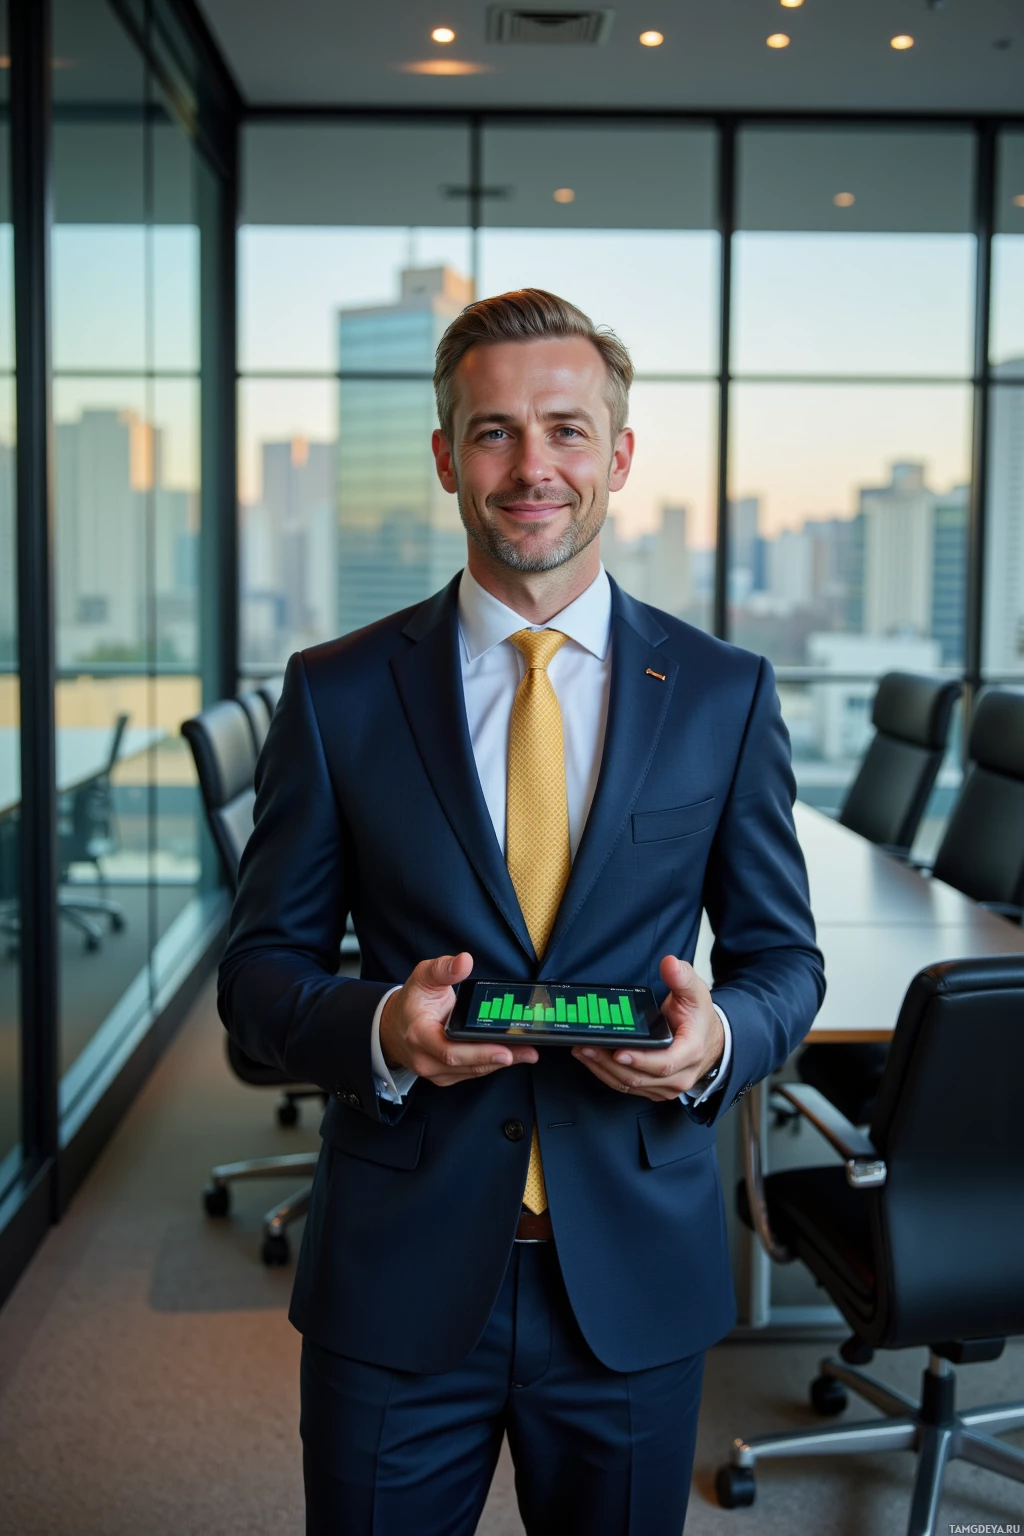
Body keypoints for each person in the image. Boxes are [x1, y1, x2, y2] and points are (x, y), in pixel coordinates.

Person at [218, 288, 825, 1536]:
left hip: (635, 1271)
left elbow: (782, 964)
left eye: (563, 428)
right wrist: (384, 1028)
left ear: (619, 452)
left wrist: (717, 1044)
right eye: (492, 432)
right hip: (397, 1269)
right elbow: (258, 974)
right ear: (446, 456)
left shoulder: (721, 692)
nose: (530, 466)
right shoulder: (337, 694)